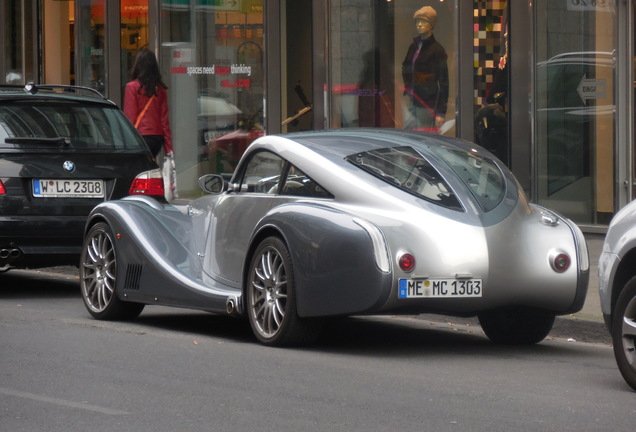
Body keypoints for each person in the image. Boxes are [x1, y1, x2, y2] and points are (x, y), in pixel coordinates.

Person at [402, 6, 449, 131]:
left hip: (426, 101)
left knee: (424, 135)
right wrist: (408, 86)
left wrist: (441, 112)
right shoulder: (414, 46)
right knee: (408, 132)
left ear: (431, 24)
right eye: (417, 21)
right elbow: (406, 66)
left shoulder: (437, 50)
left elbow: (444, 82)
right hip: (413, 98)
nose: (419, 25)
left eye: (423, 21)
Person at [124, 49, 173, 159]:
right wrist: (169, 149)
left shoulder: (131, 87)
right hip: (156, 138)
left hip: (140, 137)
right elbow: (164, 121)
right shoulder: (160, 89)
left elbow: (130, 117)